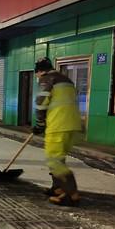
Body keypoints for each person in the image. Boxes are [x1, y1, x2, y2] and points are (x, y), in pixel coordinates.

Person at [33, 57, 82, 206]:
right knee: (59, 159)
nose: (37, 78)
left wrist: (40, 124)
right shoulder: (67, 80)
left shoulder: (47, 79)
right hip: (73, 125)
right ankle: (58, 188)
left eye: (37, 75)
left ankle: (71, 195)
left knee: (54, 161)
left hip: (58, 125)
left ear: (40, 71)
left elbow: (41, 103)